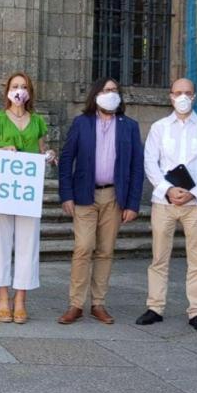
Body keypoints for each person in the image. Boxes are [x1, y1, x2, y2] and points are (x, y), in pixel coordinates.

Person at [57, 77, 144, 326]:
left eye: (115, 90)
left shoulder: (129, 126)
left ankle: (98, 303)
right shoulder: (81, 123)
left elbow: (137, 167)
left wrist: (133, 204)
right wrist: (67, 195)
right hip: (85, 194)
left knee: (105, 251)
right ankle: (75, 304)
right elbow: (66, 160)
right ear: (96, 95)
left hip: (114, 197)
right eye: (107, 90)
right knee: (83, 248)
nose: (112, 94)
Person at [136, 78, 197, 333]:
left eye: (188, 93)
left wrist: (193, 193)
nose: (183, 97)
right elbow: (151, 163)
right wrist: (168, 189)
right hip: (164, 202)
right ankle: (155, 307)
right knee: (159, 257)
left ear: (194, 96)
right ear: (170, 96)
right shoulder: (159, 128)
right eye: (178, 93)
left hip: (196, 205)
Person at [0, 72, 54, 324]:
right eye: (15, 86)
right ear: (7, 92)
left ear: (29, 92)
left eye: (24, 87)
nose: (19, 91)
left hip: (28, 191)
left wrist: (49, 156)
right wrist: (3, 151)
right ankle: (2, 297)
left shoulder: (37, 122)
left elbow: (42, 151)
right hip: (2, 190)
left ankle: (21, 299)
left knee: (28, 243)